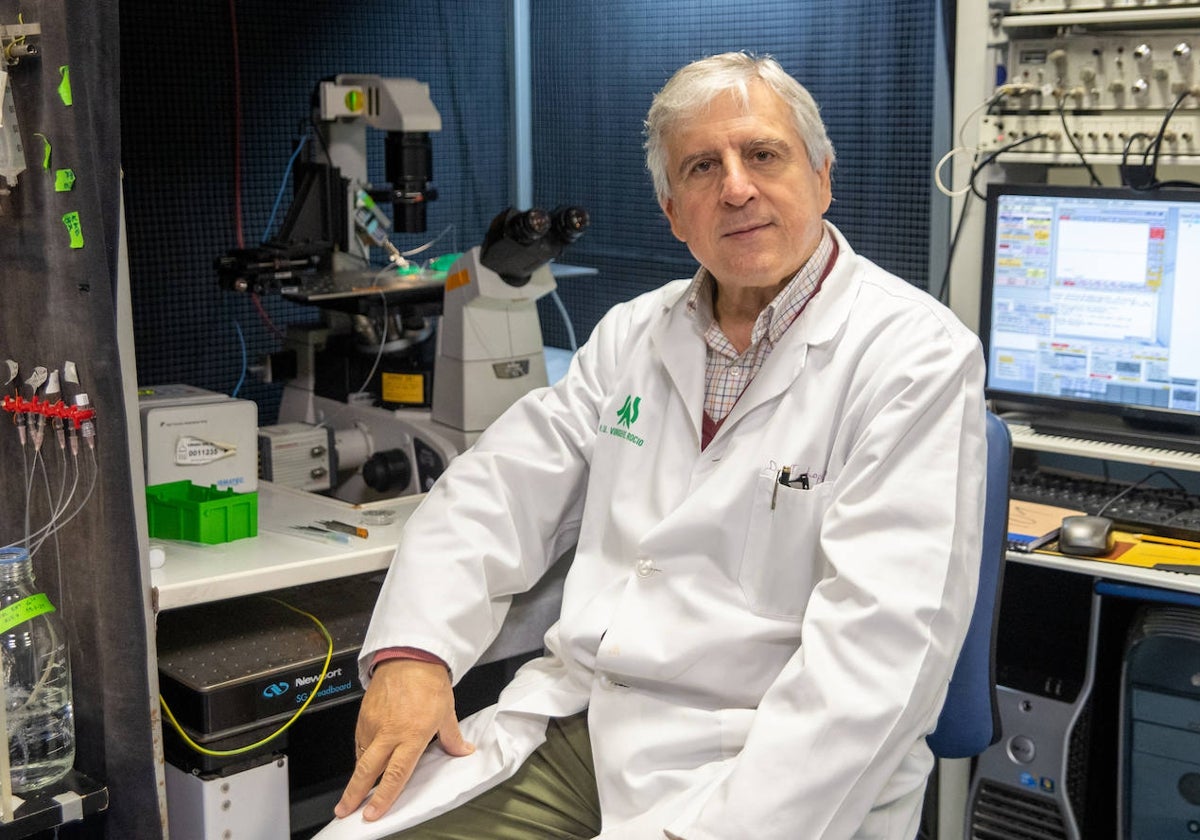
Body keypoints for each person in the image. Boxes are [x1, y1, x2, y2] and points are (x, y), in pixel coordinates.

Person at [318, 51, 987, 840]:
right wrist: (412, 655)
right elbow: (494, 492)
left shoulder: (914, 356)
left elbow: (876, 667)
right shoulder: (634, 333)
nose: (735, 186)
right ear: (674, 213)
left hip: (771, 765)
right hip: (589, 726)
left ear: (821, 176)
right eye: (702, 167)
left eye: (762, 154)